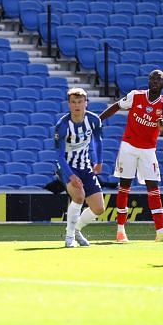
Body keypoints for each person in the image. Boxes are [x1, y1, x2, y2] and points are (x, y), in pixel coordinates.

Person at [100, 70, 163, 243]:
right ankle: (120, 230)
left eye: (159, 79)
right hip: (128, 147)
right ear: (148, 80)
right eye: (153, 78)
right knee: (124, 187)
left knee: (154, 188)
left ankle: (160, 232)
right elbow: (116, 106)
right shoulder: (135, 96)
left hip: (148, 150)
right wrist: (99, 120)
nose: (155, 81)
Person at [53, 88, 106, 248]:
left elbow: (98, 141)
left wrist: (99, 161)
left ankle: (76, 229)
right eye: (74, 102)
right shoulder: (62, 125)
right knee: (78, 196)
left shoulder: (94, 120)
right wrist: (71, 176)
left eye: (80, 102)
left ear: (86, 103)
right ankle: (69, 237)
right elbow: (60, 155)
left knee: (99, 208)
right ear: (69, 104)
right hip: (66, 167)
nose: (77, 106)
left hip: (85, 166)